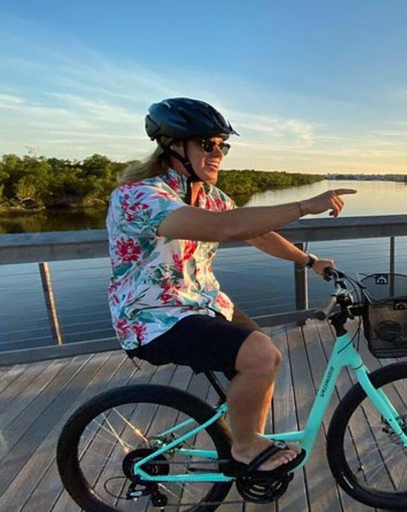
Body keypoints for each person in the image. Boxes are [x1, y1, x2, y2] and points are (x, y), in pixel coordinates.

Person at [106, 97, 356, 478]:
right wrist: (305, 205)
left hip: (202, 303)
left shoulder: (209, 196)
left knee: (266, 357)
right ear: (173, 146)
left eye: (223, 146)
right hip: (153, 317)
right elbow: (227, 228)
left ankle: (251, 438)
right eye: (207, 144)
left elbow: (257, 233)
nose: (218, 154)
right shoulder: (139, 197)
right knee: (259, 355)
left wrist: (310, 261)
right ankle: (245, 447)